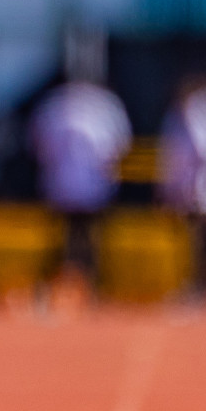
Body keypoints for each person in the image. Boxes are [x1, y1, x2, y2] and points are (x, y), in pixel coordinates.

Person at [30, 77, 131, 298]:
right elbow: (117, 147)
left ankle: (77, 285)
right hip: (88, 186)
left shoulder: (56, 105)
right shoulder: (105, 106)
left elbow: (39, 144)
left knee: (74, 238)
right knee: (79, 238)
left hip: (71, 185)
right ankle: (78, 285)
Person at [158, 76, 206, 300]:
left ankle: (204, 287)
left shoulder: (198, 110)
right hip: (198, 189)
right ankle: (200, 286)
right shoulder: (187, 114)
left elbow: (201, 150)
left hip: (201, 189)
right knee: (200, 241)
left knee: (203, 242)